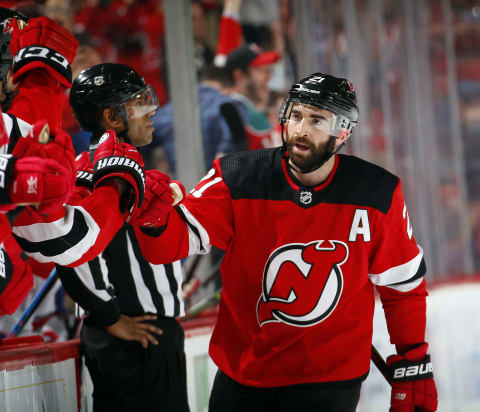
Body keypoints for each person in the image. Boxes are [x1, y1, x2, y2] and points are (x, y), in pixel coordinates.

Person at [133, 73, 438, 412]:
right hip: (243, 379)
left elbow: (402, 286)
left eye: (317, 120)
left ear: (343, 132)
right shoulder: (237, 177)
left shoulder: (377, 193)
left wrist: (414, 363)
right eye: (296, 115)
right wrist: (154, 218)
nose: (300, 130)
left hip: (328, 385)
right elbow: (166, 246)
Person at [62, 62, 189, 412]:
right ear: (112, 117)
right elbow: (72, 250)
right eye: (139, 103)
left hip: (146, 335)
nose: (151, 112)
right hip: (132, 339)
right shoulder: (89, 171)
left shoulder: (122, 166)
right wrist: (110, 318)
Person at [145, 65, 246, 175]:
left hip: (181, 188)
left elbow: (140, 142)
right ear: (228, 90)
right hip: (216, 184)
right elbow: (232, 141)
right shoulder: (229, 104)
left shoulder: (166, 111)